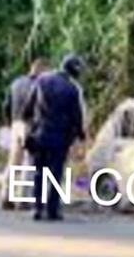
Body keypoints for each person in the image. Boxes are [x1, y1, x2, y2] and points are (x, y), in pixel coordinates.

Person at [23, 54, 88, 221]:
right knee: (55, 174)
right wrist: (81, 135)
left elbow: (28, 108)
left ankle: (37, 208)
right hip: (59, 138)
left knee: (39, 172)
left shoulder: (41, 81)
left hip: (40, 135)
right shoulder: (72, 89)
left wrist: (30, 125)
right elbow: (76, 116)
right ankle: (52, 210)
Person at [0, 58, 49, 209]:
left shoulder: (16, 83)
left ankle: (6, 196)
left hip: (16, 124)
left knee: (13, 162)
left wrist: (10, 122)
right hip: (31, 125)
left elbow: (6, 105)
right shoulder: (40, 85)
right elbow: (40, 107)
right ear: (41, 69)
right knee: (29, 162)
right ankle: (22, 198)